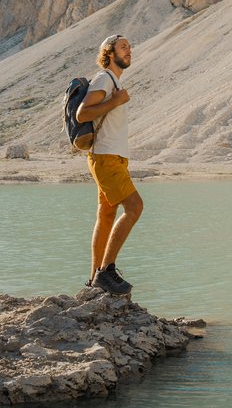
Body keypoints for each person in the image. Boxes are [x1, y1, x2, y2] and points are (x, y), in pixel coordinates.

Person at [75, 33, 141, 295]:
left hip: (111, 158)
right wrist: (116, 100)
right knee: (135, 207)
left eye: (129, 47)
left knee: (106, 215)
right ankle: (106, 271)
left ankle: (94, 279)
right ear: (109, 54)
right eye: (123, 47)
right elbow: (82, 113)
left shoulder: (112, 80)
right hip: (106, 158)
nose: (129, 50)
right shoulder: (104, 79)